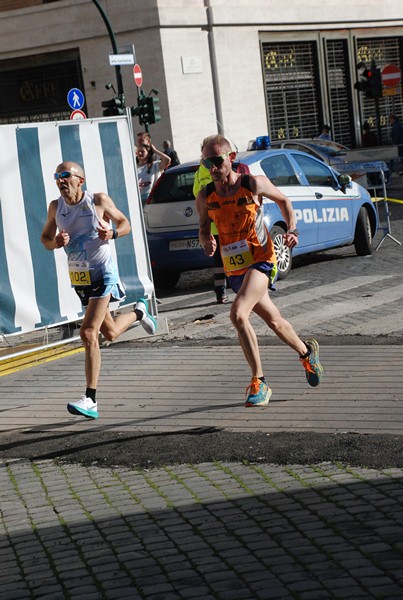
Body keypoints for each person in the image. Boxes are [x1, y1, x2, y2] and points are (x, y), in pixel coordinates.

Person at [195, 134, 323, 407]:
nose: (213, 167)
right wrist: (206, 241)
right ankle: (306, 352)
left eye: (217, 161)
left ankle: (259, 382)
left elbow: (284, 202)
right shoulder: (205, 196)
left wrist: (292, 229)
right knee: (274, 321)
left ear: (231, 158)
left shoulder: (252, 184)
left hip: (262, 259)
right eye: (207, 163)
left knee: (238, 314)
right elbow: (204, 226)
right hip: (235, 267)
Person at [40, 161, 157, 420]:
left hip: (103, 274)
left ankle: (91, 399)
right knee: (110, 332)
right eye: (56, 176)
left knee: (88, 332)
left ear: (80, 180)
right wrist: (55, 242)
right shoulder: (55, 207)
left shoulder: (98, 201)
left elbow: (126, 223)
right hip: (80, 277)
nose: (60, 180)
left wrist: (112, 234)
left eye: (65, 176)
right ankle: (139, 312)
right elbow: (45, 239)